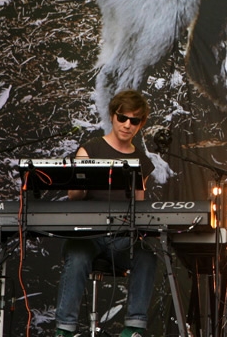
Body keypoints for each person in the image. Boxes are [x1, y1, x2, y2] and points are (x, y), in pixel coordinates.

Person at [55, 90, 157, 337]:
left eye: (134, 121)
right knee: (78, 256)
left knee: (146, 257)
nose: (127, 125)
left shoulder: (140, 160)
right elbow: (73, 197)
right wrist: (81, 182)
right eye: (123, 118)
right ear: (113, 116)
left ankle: (133, 327)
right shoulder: (89, 149)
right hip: (87, 236)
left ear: (141, 124)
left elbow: (139, 207)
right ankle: (64, 330)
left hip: (121, 238)